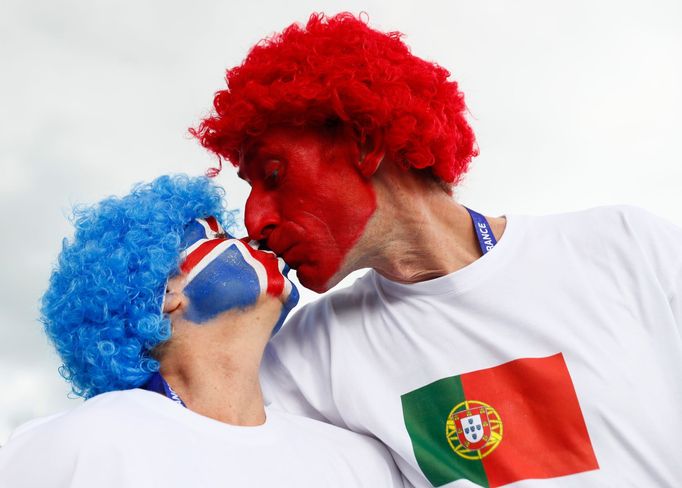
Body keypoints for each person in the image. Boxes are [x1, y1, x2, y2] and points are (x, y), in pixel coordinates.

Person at [192, 12, 682, 488]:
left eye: (274, 174)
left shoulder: (626, 247)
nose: (255, 219)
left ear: (363, 142)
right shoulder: (307, 355)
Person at [0, 175, 404, 488]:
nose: (254, 235)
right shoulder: (83, 440)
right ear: (166, 294)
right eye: (219, 235)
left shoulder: (360, 463)